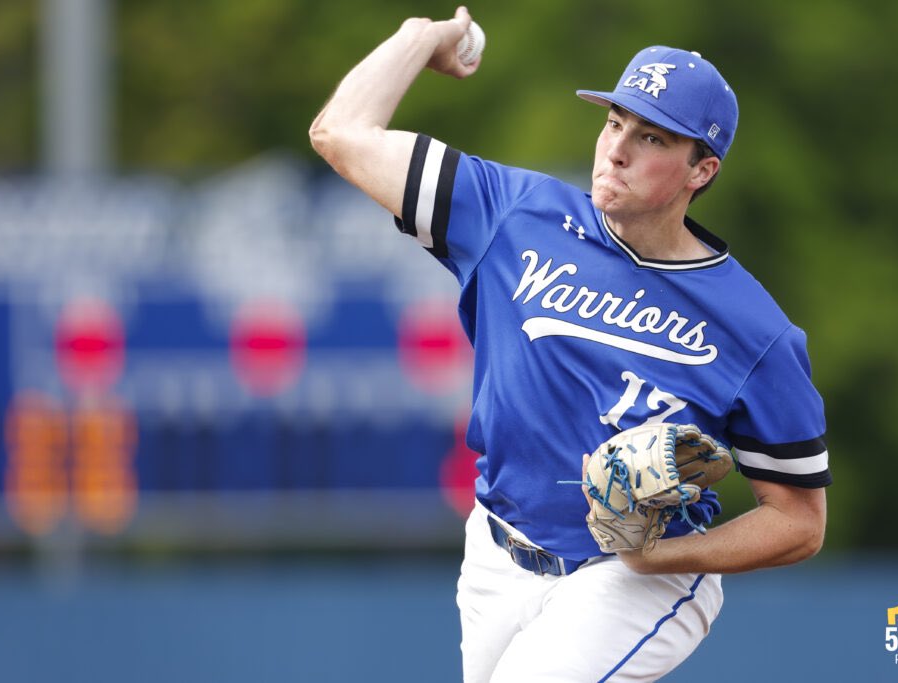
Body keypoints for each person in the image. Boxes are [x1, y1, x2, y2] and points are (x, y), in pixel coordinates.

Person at [310, 7, 830, 682]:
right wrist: (422, 37)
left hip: (637, 578)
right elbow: (341, 133)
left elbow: (799, 521)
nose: (616, 148)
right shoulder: (513, 214)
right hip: (496, 551)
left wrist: (656, 559)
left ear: (701, 171)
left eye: (651, 138)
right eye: (615, 122)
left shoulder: (756, 333)